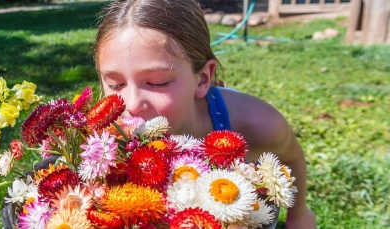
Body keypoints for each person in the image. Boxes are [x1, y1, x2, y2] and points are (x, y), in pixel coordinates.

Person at [95, 0, 316, 228]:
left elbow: (292, 158)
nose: (131, 104)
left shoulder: (257, 123)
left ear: (202, 79)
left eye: (156, 83)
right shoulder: (103, 140)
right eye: (115, 84)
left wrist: (298, 215)